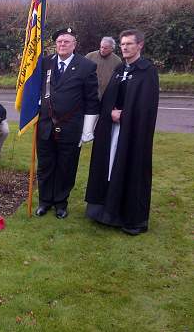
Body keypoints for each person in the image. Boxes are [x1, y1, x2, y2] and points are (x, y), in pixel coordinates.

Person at [85, 29, 159, 235]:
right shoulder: (119, 69)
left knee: (129, 168)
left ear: (140, 45)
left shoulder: (147, 71)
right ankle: (104, 210)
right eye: (123, 44)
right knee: (108, 167)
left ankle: (131, 218)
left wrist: (123, 116)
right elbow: (109, 97)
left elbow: (146, 106)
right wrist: (110, 112)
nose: (125, 47)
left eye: (129, 44)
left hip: (133, 133)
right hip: (112, 130)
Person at [35, 28, 100, 219]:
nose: (62, 44)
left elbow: (91, 100)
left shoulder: (86, 66)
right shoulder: (44, 63)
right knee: (45, 166)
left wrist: (88, 130)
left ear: (74, 44)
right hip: (46, 124)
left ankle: (61, 203)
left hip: (71, 127)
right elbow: (35, 89)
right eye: (59, 42)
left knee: (66, 167)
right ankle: (45, 201)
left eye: (66, 42)